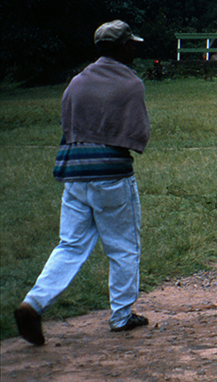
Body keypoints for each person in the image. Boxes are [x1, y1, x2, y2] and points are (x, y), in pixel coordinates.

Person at [14, 20, 150, 346]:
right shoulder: (131, 84)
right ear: (123, 47)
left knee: (70, 245)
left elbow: (69, 126)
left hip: (74, 174)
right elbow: (138, 136)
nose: (134, 48)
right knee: (123, 247)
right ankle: (121, 316)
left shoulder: (77, 82)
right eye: (131, 44)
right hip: (111, 175)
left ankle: (34, 303)